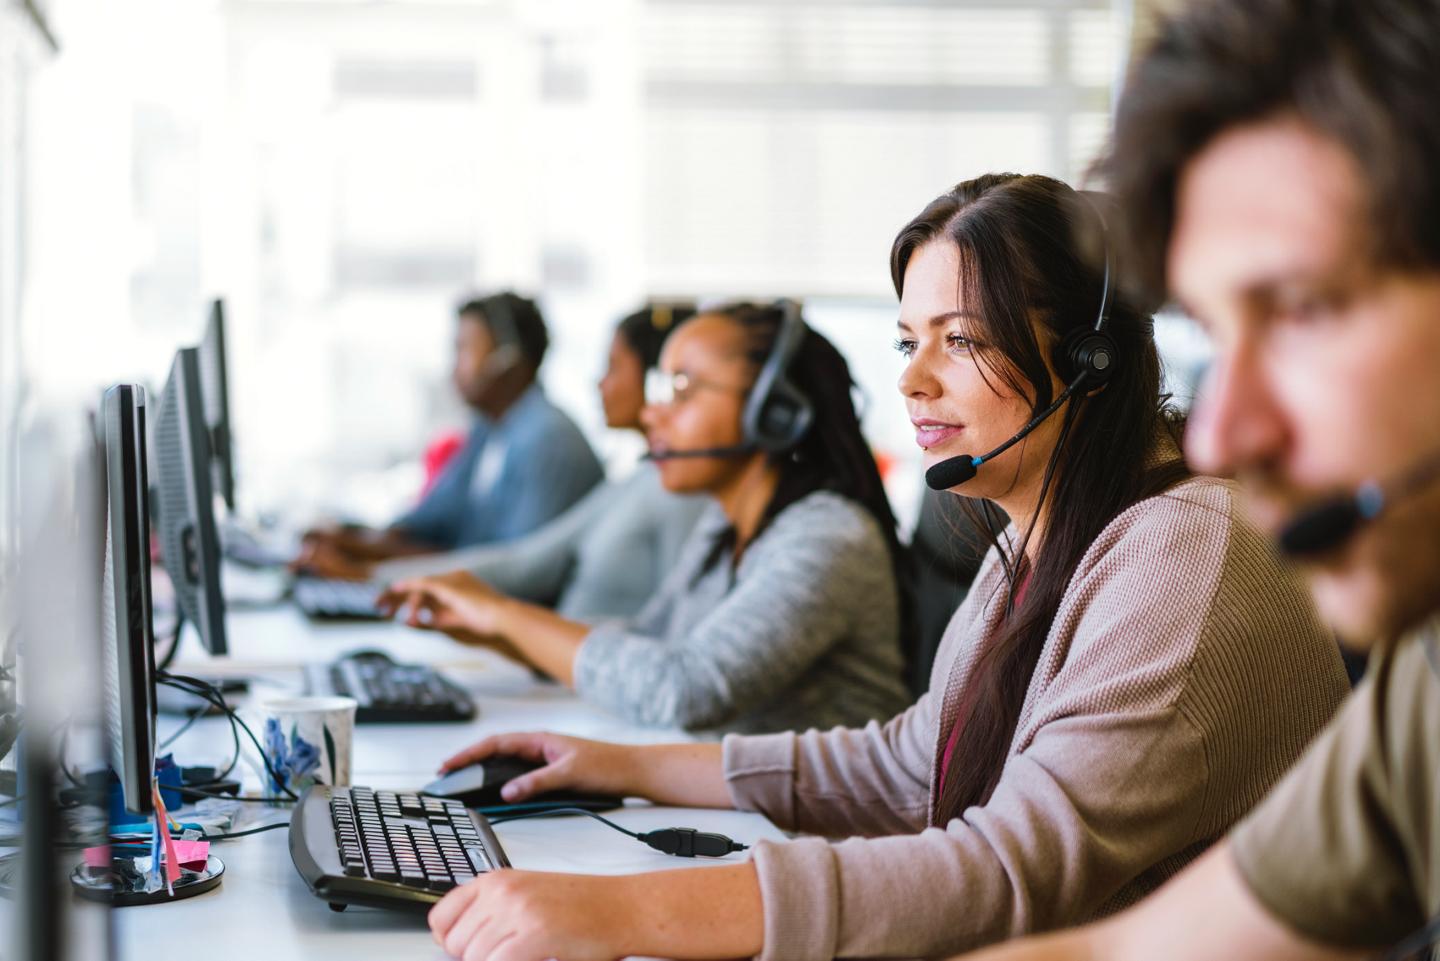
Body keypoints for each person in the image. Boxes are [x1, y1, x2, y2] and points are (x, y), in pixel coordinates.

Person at [416, 175, 1351, 961]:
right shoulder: (1036, 533)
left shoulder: (1186, 547)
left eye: (963, 338)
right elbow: (912, 765)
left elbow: (1007, 868)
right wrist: (622, 764)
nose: (912, 378)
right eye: (910, 341)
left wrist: (619, 913)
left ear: (1090, 357)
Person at [956, 2, 1440, 960]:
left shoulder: (1182, 543)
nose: (1220, 435)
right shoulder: (1423, 685)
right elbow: (1124, 950)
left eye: (1302, 310)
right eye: (1217, 335)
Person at [381, 301, 913, 735]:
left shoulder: (828, 538)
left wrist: (504, 615)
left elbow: (685, 689)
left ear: (774, 411)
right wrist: (489, 630)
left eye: (682, 390)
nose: (652, 413)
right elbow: (648, 638)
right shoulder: (725, 528)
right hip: (739, 820)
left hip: (814, 843)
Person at [362, 304, 708, 622]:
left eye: (613, 367)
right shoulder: (637, 478)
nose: (599, 382)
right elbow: (441, 524)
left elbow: (525, 573)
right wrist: (373, 565)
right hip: (561, 668)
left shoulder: (552, 440)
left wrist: (376, 574)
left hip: (572, 675)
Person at [295, 292, 603, 578]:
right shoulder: (489, 430)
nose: (453, 367)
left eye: (463, 349)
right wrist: (348, 541)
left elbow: (512, 572)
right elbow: (427, 525)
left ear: (507, 359)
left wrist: (368, 573)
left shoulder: (548, 440)